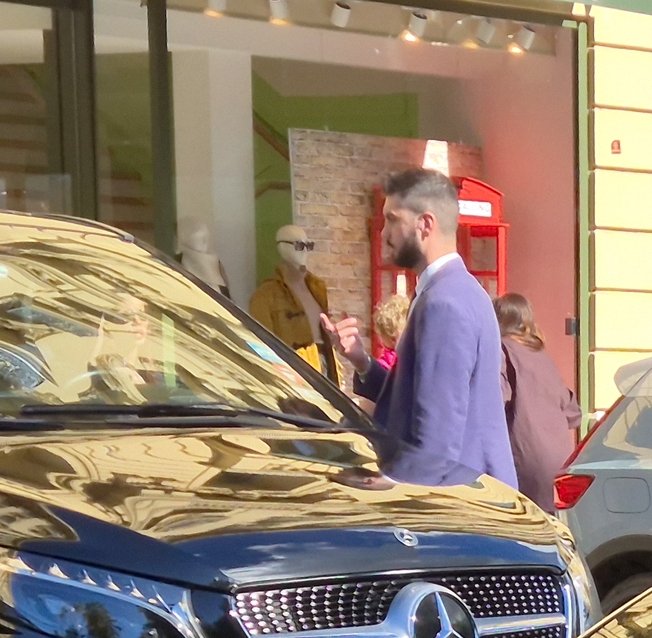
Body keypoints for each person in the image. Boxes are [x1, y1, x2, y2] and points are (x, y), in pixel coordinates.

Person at [370, 168, 513, 489]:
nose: (383, 233)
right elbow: (420, 392)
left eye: (392, 219)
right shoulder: (461, 289)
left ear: (425, 225)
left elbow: (437, 430)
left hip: (461, 498)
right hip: (471, 486)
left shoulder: (443, 303)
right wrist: (362, 363)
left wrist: (392, 482)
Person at [494, 292, 579, 505]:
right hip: (561, 461)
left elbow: (496, 401)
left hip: (527, 462)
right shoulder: (541, 355)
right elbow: (573, 412)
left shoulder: (502, 351)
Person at [247, 225, 339, 382]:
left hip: (325, 364)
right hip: (292, 370)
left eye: (308, 245)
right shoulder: (265, 295)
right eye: (299, 245)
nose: (304, 251)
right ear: (282, 247)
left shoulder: (317, 288)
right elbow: (261, 345)